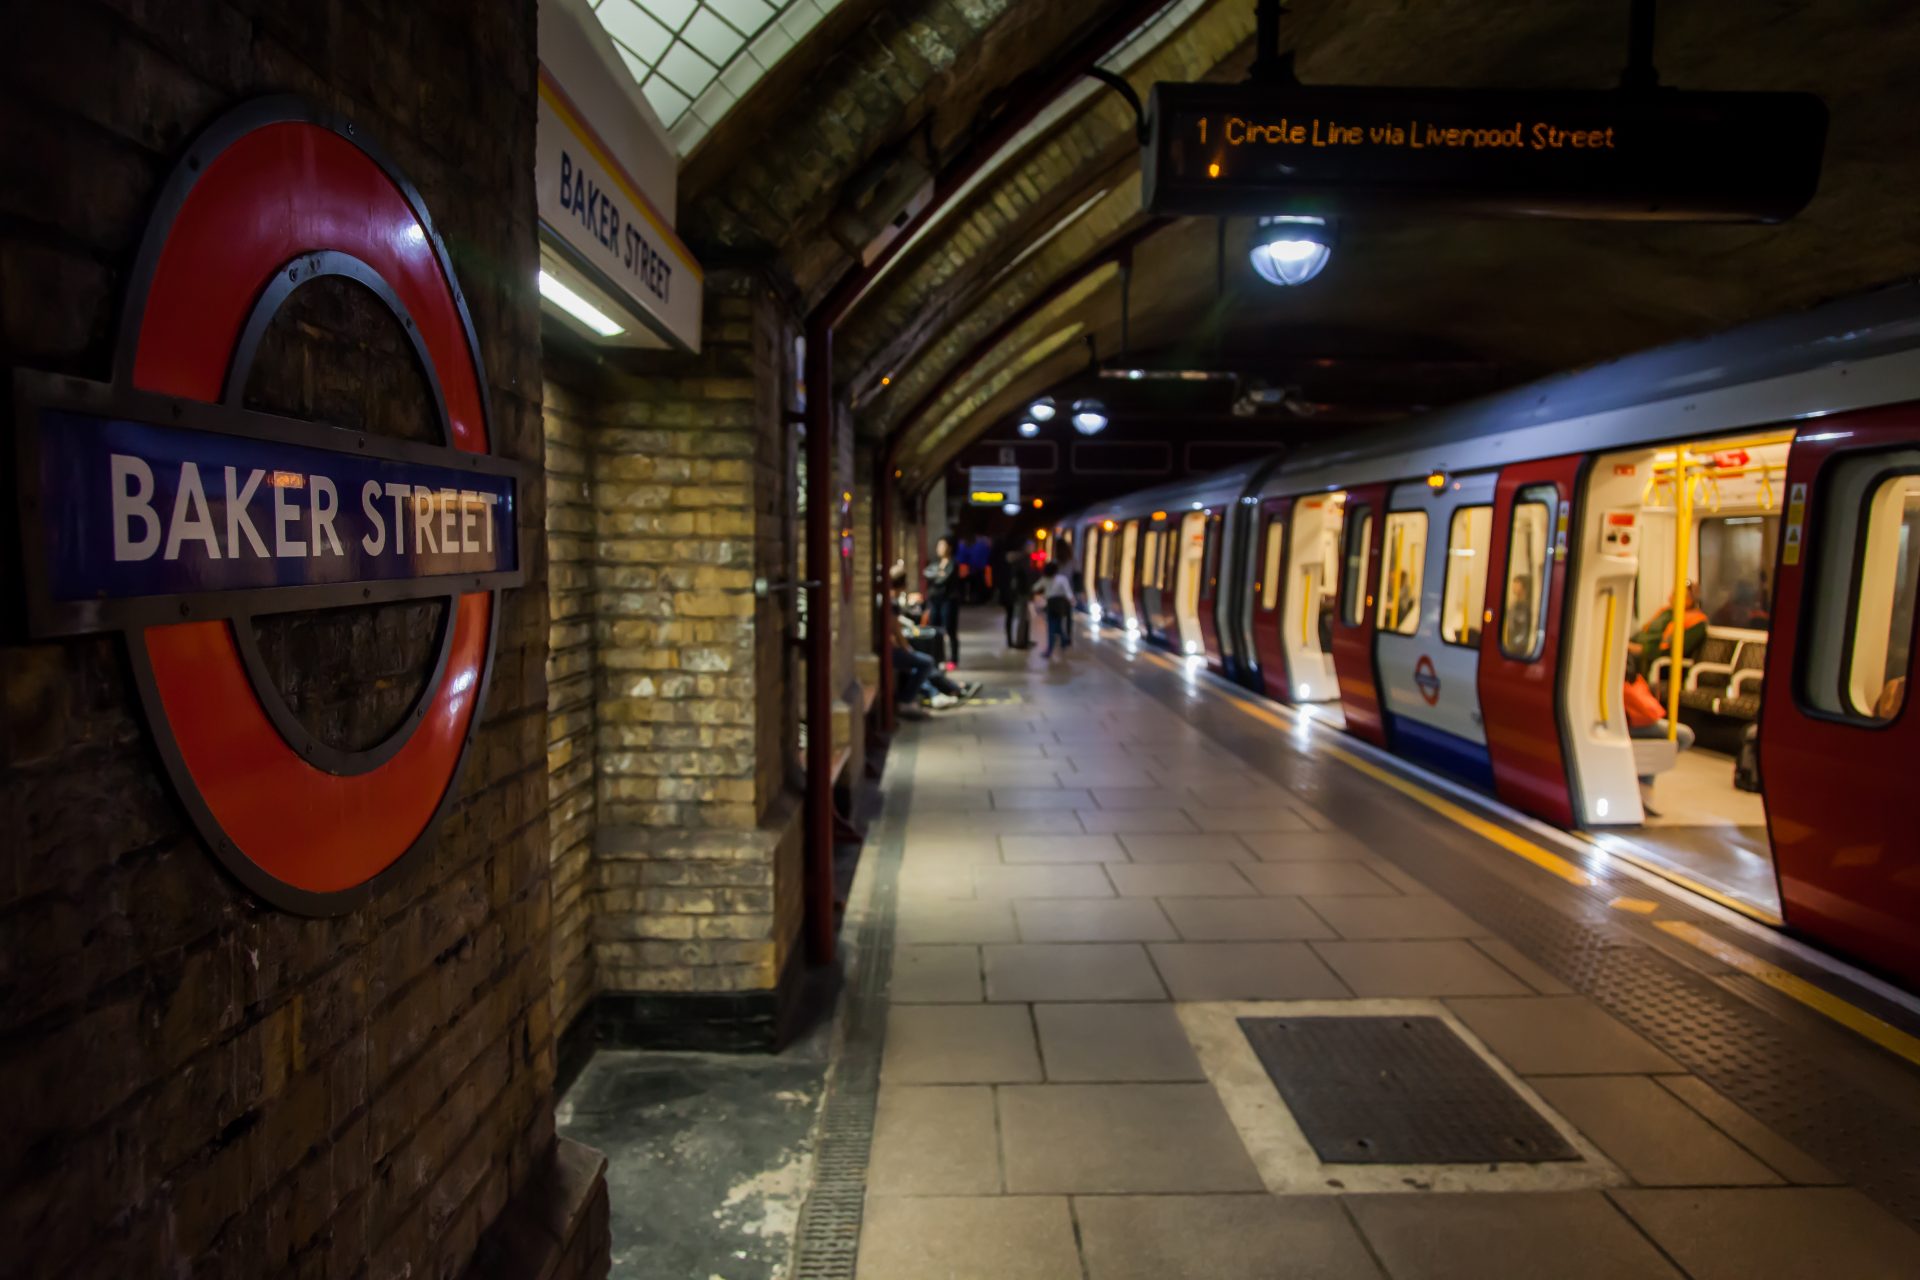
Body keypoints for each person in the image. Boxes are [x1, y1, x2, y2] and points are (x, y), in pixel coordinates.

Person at [1627, 581, 1708, 683]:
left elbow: (1674, 651)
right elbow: (1644, 633)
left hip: (1661, 664)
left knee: (1626, 662)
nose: (1669, 598)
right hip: (1640, 653)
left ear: (1689, 600)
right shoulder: (1666, 613)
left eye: (1675, 595)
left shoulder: (1696, 624)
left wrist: (1643, 650)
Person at [924, 537, 960, 667]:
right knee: (935, 628)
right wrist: (938, 573)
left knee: (950, 629)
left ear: (949, 547)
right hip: (935, 600)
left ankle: (953, 659)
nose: (939, 548)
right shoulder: (936, 562)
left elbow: (942, 580)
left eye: (942, 545)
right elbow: (926, 573)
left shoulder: (953, 564)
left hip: (949, 600)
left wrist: (936, 575)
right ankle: (937, 657)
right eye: (938, 545)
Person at [1037, 559, 1076, 659]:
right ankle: (1064, 640)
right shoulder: (1062, 579)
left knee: (1051, 627)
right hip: (1060, 605)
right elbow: (1068, 592)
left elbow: (1035, 588)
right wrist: (1072, 600)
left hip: (1051, 604)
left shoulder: (1045, 579)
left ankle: (1051, 649)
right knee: (1058, 625)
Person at [999, 546, 1036, 648]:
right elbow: (1020, 583)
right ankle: (1019, 641)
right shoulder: (1019, 568)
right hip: (1018, 595)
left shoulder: (1008, 568)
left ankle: (1014, 641)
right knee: (1021, 618)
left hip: (1012, 595)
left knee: (1014, 618)